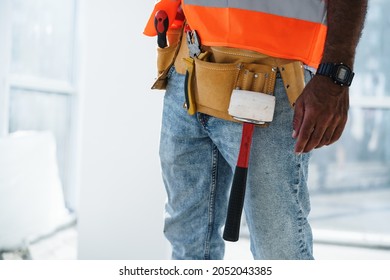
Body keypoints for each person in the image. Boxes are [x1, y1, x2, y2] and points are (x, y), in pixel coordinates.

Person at [144, 0, 368, 259]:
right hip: (188, 69)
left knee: (278, 250)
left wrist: (334, 77)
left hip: (272, 84)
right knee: (187, 241)